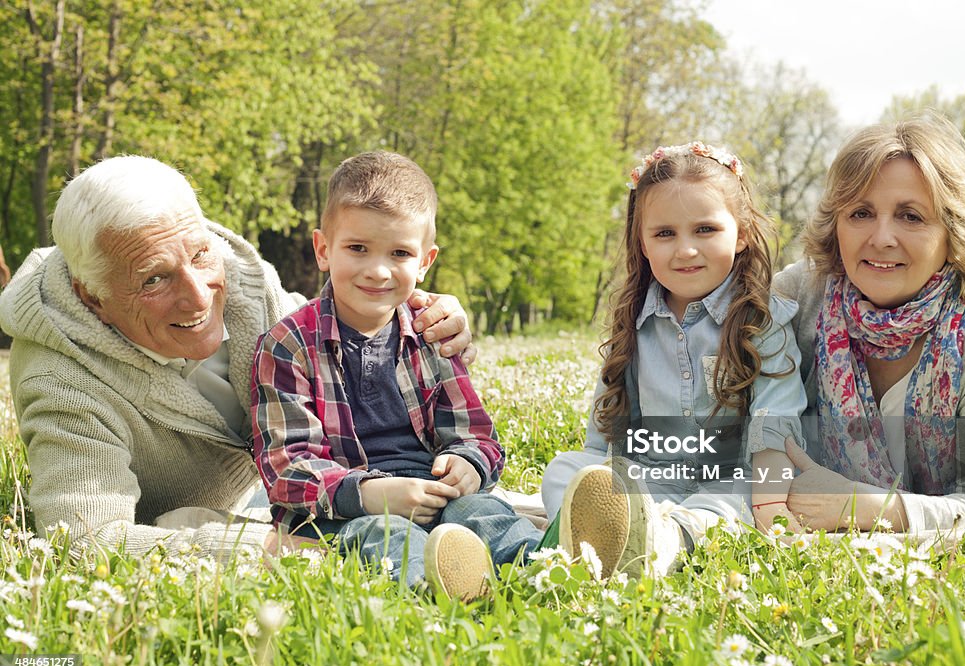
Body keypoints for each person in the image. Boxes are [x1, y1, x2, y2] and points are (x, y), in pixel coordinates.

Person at [0, 155, 474, 562]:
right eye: (154, 280)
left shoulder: (246, 282)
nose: (198, 297)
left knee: (479, 514)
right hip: (232, 523)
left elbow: (337, 334)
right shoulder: (61, 377)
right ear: (94, 298)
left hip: (322, 494)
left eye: (201, 255)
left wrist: (424, 317)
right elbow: (88, 540)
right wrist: (278, 552)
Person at [251, 151, 540, 599]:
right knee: (389, 540)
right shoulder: (289, 344)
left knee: (485, 514)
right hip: (347, 512)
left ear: (425, 261)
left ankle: (551, 570)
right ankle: (441, 590)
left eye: (400, 253)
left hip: (434, 494)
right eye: (357, 248)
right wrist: (370, 495)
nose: (378, 270)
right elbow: (287, 467)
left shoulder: (432, 330)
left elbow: (477, 435)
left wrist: (468, 465)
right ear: (323, 249)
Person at [540, 142, 806, 579]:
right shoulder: (634, 322)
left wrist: (773, 503)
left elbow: (775, 422)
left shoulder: (763, 320)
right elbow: (601, 436)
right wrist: (595, 480)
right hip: (650, 479)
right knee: (565, 469)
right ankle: (597, 533)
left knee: (730, 503)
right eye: (665, 234)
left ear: (740, 233)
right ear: (642, 243)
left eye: (705, 230)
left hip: (729, 480)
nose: (685, 250)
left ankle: (659, 544)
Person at [774, 113, 965, 535]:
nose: (881, 237)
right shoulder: (803, 294)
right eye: (860, 213)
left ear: (953, 231)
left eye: (910, 216)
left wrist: (871, 508)